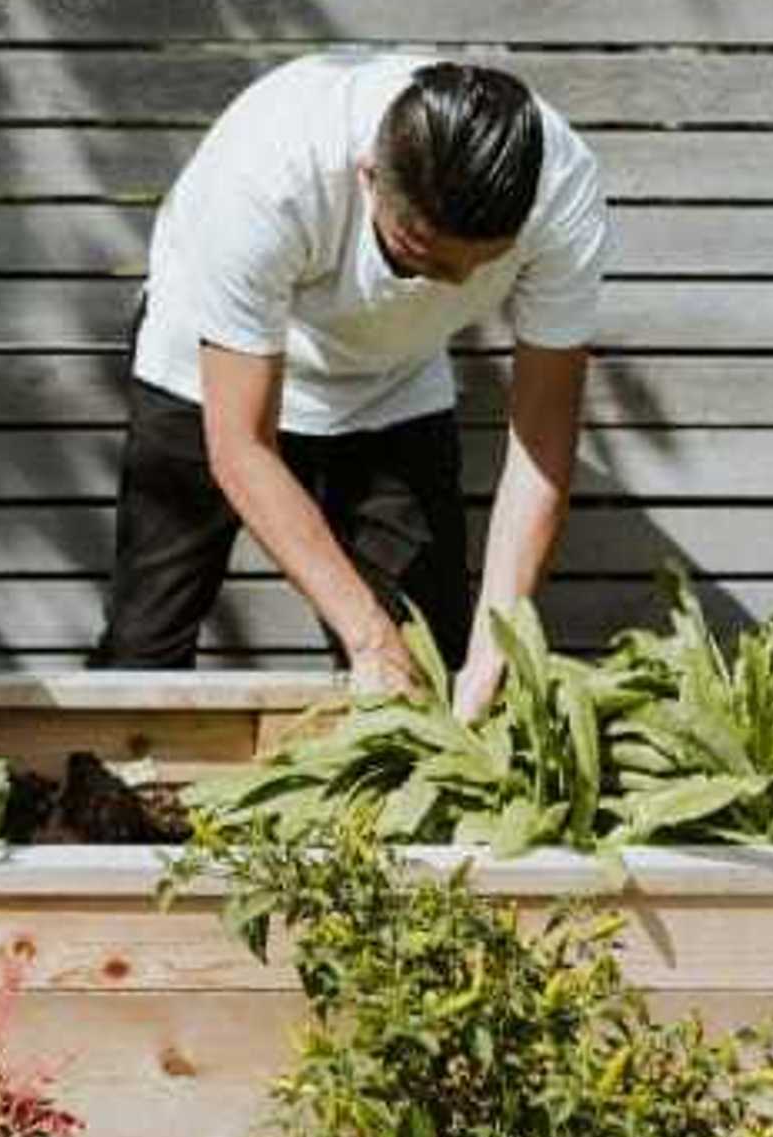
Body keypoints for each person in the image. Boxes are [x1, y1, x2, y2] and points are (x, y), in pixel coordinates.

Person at [89, 51, 610, 719]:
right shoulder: (269, 173)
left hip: (391, 379)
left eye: (474, 269)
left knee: (429, 664)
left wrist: (497, 646)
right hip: (206, 369)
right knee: (143, 649)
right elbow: (240, 446)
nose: (449, 283)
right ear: (369, 177)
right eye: (422, 257)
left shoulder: (562, 191)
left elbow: (541, 440)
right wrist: (367, 638)